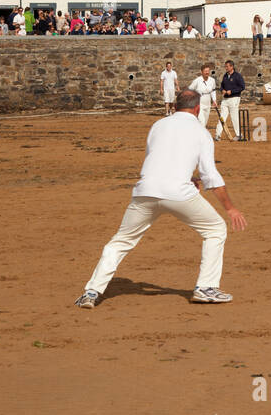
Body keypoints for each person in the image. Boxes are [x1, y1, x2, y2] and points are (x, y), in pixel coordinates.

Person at [74, 89, 247, 309]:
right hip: (178, 193)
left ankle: (91, 292)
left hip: (146, 190)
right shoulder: (201, 131)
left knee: (121, 241)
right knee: (215, 229)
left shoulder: (157, 125)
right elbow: (211, 176)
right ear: (197, 109)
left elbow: (156, 157)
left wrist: (186, 177)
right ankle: (206, 287)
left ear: (175, 107)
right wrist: (230, 208)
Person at [215, 60, 245, 142]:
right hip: (225, 99)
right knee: (222, 117)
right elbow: (221, 86)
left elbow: (242, 87)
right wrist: (223, 90)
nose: (226, 68)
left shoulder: (237, 76)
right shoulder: (225, 76)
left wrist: (232, 91)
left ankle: (238, 135)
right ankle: (218, 135)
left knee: (234, 117)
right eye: (225, 66)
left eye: (227, 66)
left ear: (232, 67)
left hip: (234, 98)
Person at [190, 63, 219, 131]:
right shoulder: (197, 80)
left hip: (207, 104)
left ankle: (197, 133)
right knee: (202, 121)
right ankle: (201, 138)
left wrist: (214, 100)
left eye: (208, 71)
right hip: (199, 104)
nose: (207, 72)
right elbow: (190, 89)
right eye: (205, 71)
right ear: (201, 72)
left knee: (205, 122)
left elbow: (213, 91)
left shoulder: (212, 80)